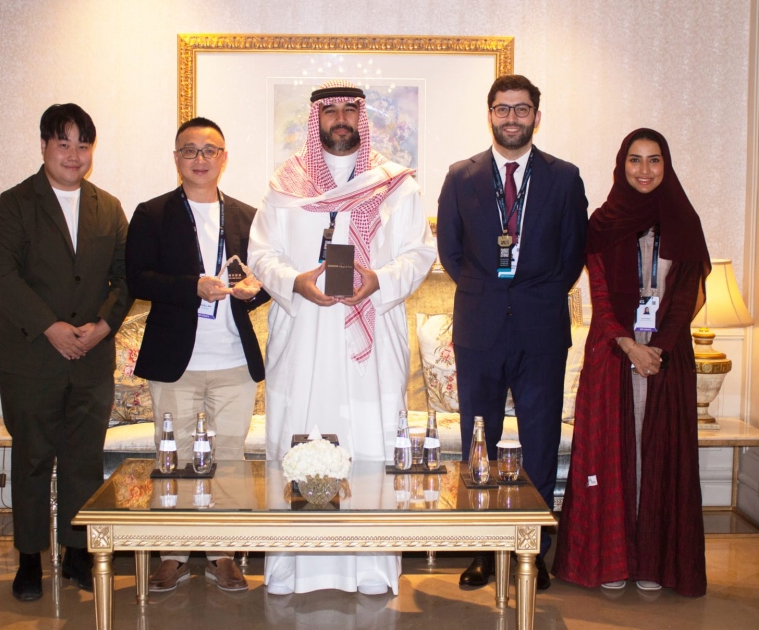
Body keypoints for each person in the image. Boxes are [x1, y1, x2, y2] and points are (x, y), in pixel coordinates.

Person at [248, 79, 436, 595]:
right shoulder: (285, 185)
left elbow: (420, 253)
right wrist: (295, 282)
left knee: (369, 439)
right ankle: (290, 568)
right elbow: (261, 254)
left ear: (361, 117)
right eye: (329, 110)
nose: (339, 119)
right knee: (298, 434)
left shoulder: (395, 185)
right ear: (316, 119)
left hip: (370, 333)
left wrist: (380, 280)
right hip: (303, 334)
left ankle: (370, 567)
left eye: (348, 110)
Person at [436, 74, 588, 590]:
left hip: (541, 327)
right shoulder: (461, 176)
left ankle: (532, 553)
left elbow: (572, 256)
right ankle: (482, 550)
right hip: (478, 326)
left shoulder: (564, 178)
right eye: (503, 109)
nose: (512, 118)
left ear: (536, 117)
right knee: (478, 439)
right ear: (490, 115)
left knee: (540, 440)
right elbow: (451, 253)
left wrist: (531, 296)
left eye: (522, 109)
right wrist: (489, 293)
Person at [0, 103, 132, 601]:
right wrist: (50, 327)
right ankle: (29, 559)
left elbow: (126, 276)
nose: (73, 154)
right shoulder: (16, 203)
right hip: (31, 358)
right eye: (63, 143)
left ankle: (77, 555)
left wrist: (102, 326)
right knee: (31, 458)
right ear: (44, 145)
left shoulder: (108, 207)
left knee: (82, 460)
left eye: (82, 145)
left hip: (91, 358)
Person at [553, 129, 710, 597]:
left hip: (667, 356)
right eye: (635, 160)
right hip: (611, 351)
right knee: (610, 454)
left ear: (666, 165)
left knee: (661, 454)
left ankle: (655, 561)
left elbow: (686, 296)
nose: (644, 170)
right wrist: (629, 345)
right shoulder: (603, 223)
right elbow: (600, 296)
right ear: (621, 166)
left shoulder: (684, 220)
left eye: (654, 160)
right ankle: (611, 558)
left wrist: (657, 348)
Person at [126, 117, 268, 592]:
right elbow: (137, 278)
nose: (200, 159)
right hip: (175, 360)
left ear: (224, 158)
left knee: (229, 456)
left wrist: (253, 291)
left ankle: (224, 552)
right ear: (176, 158)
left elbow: (265, 280)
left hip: (232, 360)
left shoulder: (248, 216)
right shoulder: (152, 213)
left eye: (210, 150)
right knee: (173, 456)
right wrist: (193, 286)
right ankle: (172, 552)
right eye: (190, 150)